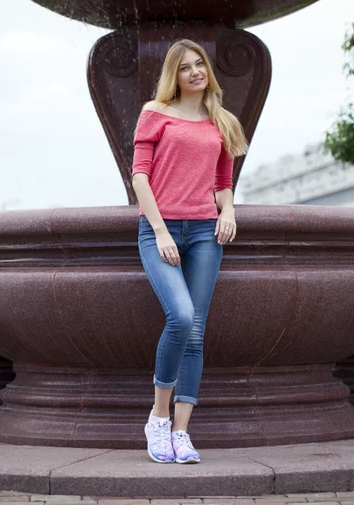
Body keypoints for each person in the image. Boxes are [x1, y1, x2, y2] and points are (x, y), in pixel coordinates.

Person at [131, 38, 249, 464]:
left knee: (196, 330)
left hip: (205, 233)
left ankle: (182, 432)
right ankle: (159, 418)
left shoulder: (223, 122)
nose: (195, 72)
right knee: (180, 316)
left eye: (199, 64)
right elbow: (140, 178)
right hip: (159, 230)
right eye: (185, 67)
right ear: (174, 76)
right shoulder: (154, 113)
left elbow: (222, 181)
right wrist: (160, 231)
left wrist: (229, 210)